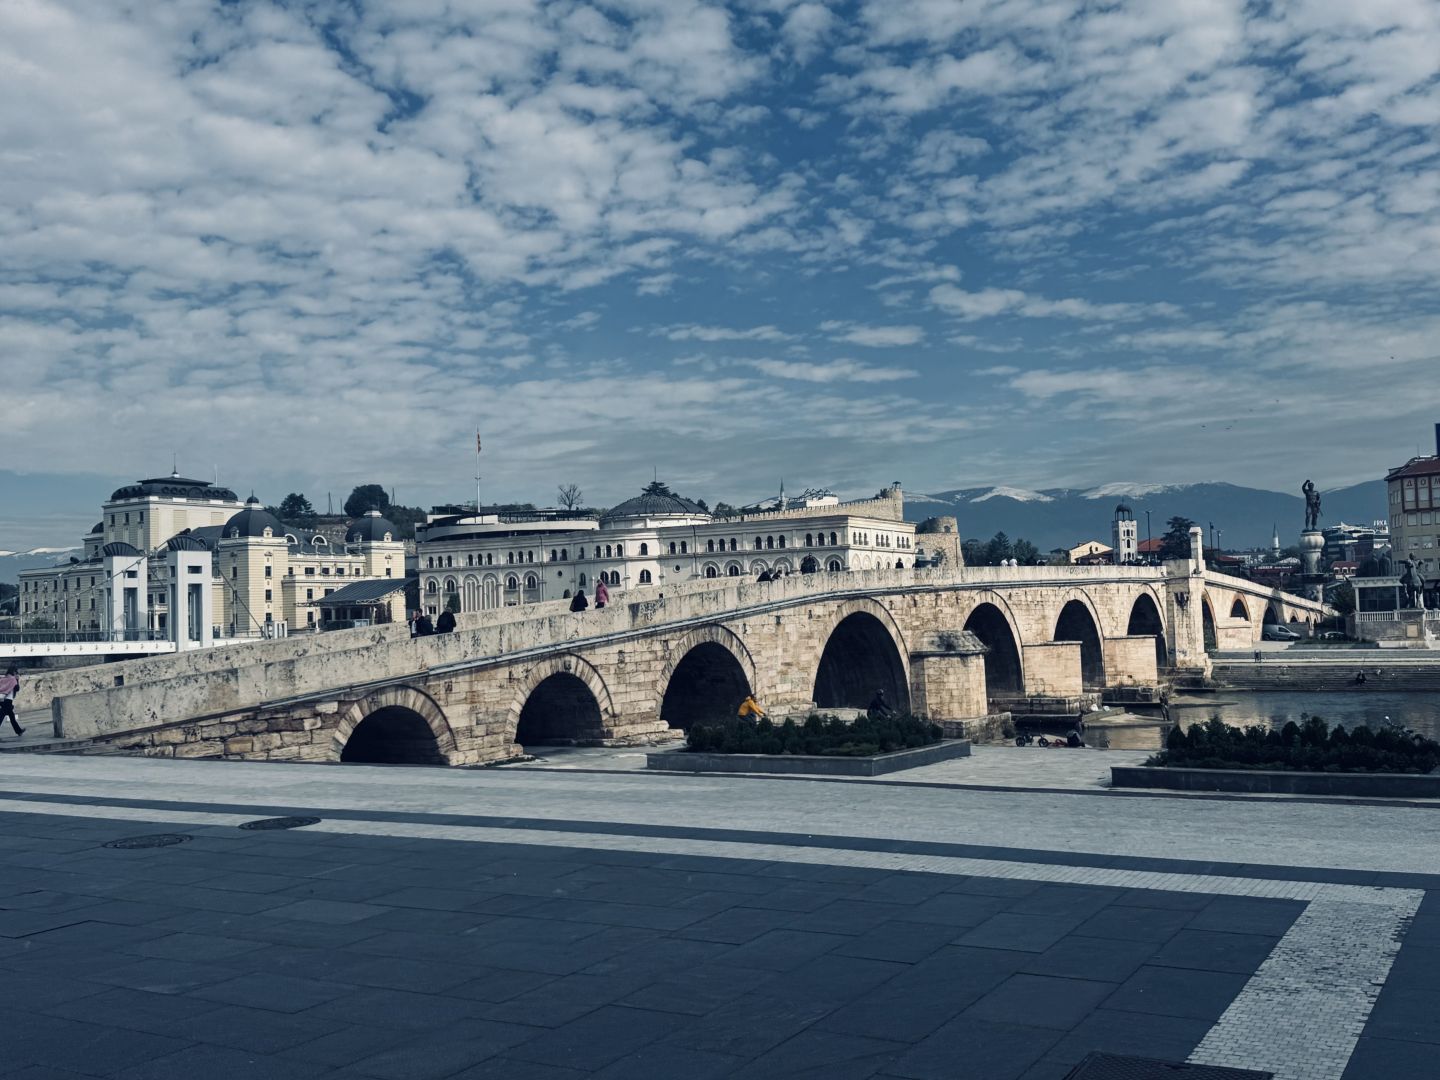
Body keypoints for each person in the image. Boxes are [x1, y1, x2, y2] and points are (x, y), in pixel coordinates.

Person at [0, 666, 23, 737]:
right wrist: (17, 680)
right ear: (14, 672)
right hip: (8, 700)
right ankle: (19, 731)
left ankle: (19, 731)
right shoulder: (13, 679)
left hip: (1, 698)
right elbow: (17, 688)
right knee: (1, 716)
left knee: (12, 716)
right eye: (16, 672)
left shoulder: (3, 678)